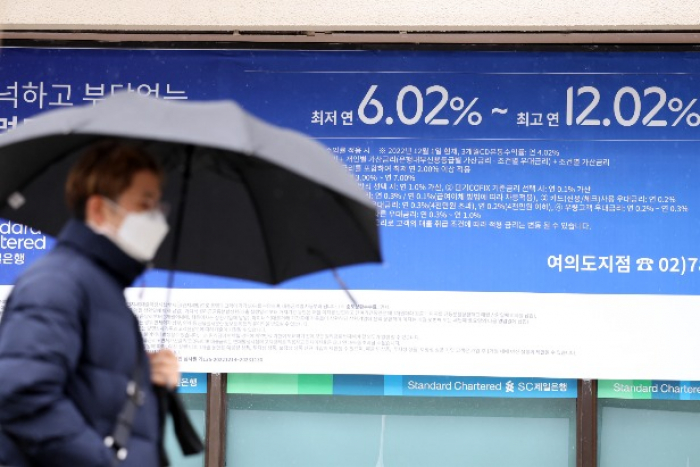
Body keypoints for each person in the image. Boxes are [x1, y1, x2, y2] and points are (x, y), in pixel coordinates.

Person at [0, 141, 180, 467]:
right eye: (145, 204)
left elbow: (94, 397)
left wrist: (145, 378)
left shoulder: (102, 287)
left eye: (159, 207)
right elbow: (23, 395)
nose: (158, 221)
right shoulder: (57, 283)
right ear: (99, 209)